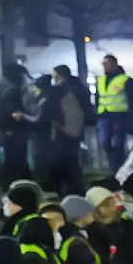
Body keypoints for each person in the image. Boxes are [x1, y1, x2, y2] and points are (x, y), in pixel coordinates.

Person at [38, 65, 88, 196]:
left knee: (61, 162)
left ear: (58, 76)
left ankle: (64, 191)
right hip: (75, 130)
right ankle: (76, 190)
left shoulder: (60, 90)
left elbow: (51, 112)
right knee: (73, 161)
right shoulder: (78, 86)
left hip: (62, 131)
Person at [0, 67, 34, 184]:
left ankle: (11, 181)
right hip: (15, 129)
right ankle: (18, 181)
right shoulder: (14, 91)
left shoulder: (3, 88)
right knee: (17, 157)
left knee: (12, 157)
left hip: (9, 129)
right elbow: (13, 111)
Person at [97, 53, 133, 174]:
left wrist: (131, 121)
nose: (104, 66)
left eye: (106, 64)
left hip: (119, 116)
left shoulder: (125, 80)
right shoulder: (101, 80)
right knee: (105, 143)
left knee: (118, 144)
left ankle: (117, 168)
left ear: (114, 64)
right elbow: (98, 98)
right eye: (103, 64)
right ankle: (114, 167)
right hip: (105, 116)